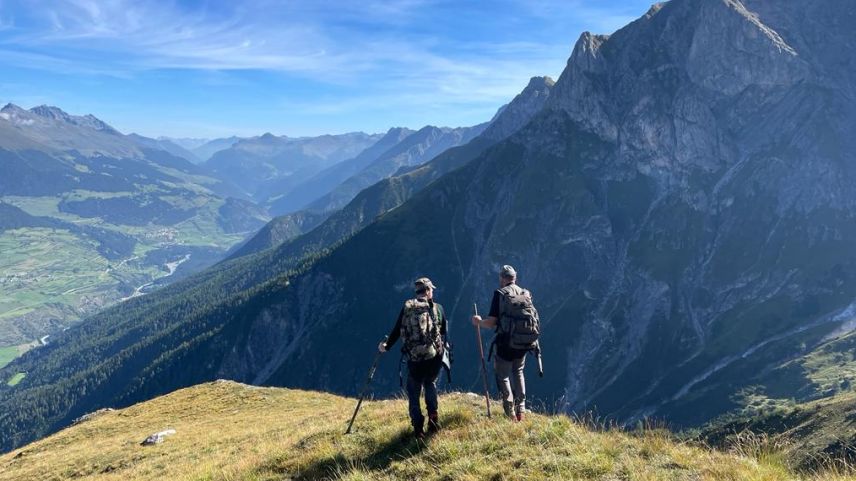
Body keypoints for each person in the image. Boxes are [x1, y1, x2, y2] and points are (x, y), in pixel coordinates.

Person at [379, 277, 448, 438]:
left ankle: (418, 428)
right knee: (430, 383)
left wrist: (386, 346)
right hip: (433, 357)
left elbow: (397, 330)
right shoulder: (438, 308)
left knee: (414, 391)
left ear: (417, 292)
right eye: (432, 289)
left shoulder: (407, 308)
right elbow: (443, 331)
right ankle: (433, 418)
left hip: (415, 358)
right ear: (429, 291)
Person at [472, 265, 540, 421]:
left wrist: (478, 322)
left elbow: (492, 323)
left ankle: (509, 411)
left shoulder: (500, 294)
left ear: (502, 278)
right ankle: (521, 410)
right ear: (514, 278)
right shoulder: (525, 294)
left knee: (503, 375)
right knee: (518, 371)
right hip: (524, 342)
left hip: (506, 343)